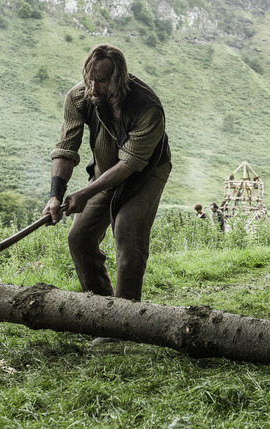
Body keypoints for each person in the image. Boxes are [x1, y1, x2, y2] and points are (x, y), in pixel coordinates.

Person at [42, 44, 172, 309]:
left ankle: (125, 318)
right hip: (105, 171)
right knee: (79, 238)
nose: (93, 87)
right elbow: (66, 149)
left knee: (128, 231)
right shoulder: (79, 97)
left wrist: (85, 193)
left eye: (101, 80)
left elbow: (130, 165)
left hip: (144, 174)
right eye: (89, 78)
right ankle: (100, 312)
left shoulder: (147, 107)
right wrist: (55, 196)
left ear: (118, 79)